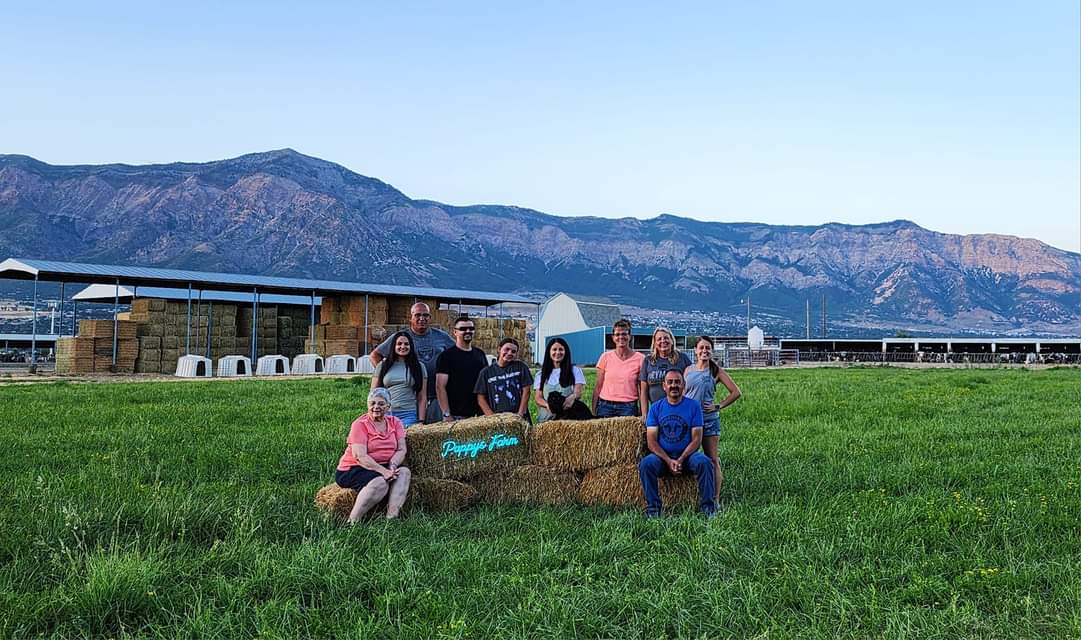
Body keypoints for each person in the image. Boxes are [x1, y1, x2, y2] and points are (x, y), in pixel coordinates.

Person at [638, 369, 716, 517]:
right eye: (670, 382)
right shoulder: (656, 408)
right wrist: (668, 461)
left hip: (687, 458)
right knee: (646, 464)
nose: (674, 385)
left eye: (677, 382)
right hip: (662, 459)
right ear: (664, 386)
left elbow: (697, 439)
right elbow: (651, 441)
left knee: (705, 462)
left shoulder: (693, 406)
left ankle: (708, 508)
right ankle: (653, 509)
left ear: (683, 385)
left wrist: (680, 459)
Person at [335, 388, 411, 522]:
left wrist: (392, 465)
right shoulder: (359, 425)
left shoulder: (395, 422)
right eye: (372, 403)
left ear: (388, 406)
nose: (376, 407)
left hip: (383, 465)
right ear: (368, 405)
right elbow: (360, 456)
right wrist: (384, 472)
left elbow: (401, 449)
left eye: (381, 404)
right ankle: (352, 522)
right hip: (354, 467)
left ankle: (391, 518)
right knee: (380, 483)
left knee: (404, 473)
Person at [370, 302, 454, 423]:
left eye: (425, 315)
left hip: (436, 395)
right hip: (409, 399)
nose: (422, 318)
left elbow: (456, 355)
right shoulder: (401, 337)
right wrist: (387, 373)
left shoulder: (442, 336)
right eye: (417, 315)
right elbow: (375, 355)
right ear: (411, 318)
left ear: (430, 317)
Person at [683, 336, 741, 501]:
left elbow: (736, 392)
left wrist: (719, 405)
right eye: (701, 348)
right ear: (695, 350)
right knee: (688, 458)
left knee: (713, 460)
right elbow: (683, 394)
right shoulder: (688, 370)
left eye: (707, 348)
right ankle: (692, 493)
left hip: (709, 421)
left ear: (712, 351)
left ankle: (715, 499)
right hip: (690, 422)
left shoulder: (716, 371)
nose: (704, 351)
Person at [435, 315, 489, 421]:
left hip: (479, 414)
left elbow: (486, 383)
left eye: (471, 328)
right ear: (455, 332)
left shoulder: (480, 354)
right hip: (456, 415)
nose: (468, 331)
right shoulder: (446, 356)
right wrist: (446, 414)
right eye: (463, 329)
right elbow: (440, 387)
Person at [371, 330, 427, 427]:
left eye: (406, 344)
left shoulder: (419, 367)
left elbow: (422, 397)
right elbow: (373, 393)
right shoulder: (383, 365)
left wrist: (421, 420)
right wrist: (372, 415)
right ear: (393, 346)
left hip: (409, 414)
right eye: (399, 344)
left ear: (411, 346)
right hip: (386, 413)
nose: (403, 346)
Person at [592, 319, 645, 417]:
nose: (621, 337)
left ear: (630, 336)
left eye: (624, 334)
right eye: (617, 334)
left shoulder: (640, 358)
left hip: (628, 408)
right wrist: (594, 410)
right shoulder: (605, 357)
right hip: (605, 406)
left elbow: (642, 389)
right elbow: (598, 386)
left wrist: (643, 412)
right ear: (613, 337)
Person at [475, 337, 534, 421]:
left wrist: (520, 414)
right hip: (497, 417)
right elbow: (480, 398)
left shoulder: (521, 367)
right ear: (499, 349)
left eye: (513, 351)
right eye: (507, 349)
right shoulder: (486, 372)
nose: (509, 353)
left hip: (518, 416)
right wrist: (492, 417)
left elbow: (526, 391)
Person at [639, 327, 692, 415]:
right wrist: (645, 414)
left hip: (678, 409)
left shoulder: (682, 358)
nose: (663, 341)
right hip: (655, 410)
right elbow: (643, 390)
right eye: (659, 339)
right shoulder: (648, 360)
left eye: (666, 338)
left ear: (672, 341)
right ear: (655, 343)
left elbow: (692, 381)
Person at [533, 337, 587, 422]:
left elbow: (578, 393)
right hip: (546, 419)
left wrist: (571, 398)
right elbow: (538, 397)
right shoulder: (540, 374)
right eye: (554, 349)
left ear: (566, 352)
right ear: (549, 352)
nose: (557, 352)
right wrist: (548, 405)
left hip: (568, 420)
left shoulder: (575, 370)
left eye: (561, 349)